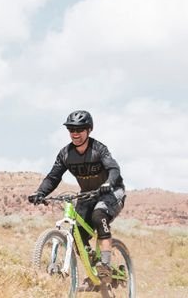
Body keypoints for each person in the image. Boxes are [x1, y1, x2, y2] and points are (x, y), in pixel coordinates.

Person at [28, 110, 126, 285]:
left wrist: (109, 183)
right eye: (71, 129)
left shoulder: (99, 149)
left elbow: (114, 169)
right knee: (77, 234)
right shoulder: (65, 154)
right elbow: (53, 177)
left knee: (99, 215)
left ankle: (105, 266)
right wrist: (40, 192)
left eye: (79, 129)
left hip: (111, 192)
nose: (75, 133)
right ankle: (94, 268)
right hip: (87, 195)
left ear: (89, 130)